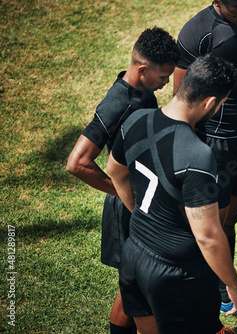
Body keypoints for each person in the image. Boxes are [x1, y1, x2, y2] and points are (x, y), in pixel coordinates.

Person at [106, 54, 237, 334]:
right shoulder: (197, 155)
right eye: (221, 103)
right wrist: (232, 284)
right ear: (209, 102)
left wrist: (141, 213)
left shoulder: (135, 120)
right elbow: (208, 236)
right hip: (176, 274)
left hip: (134, 254)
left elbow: (114, 171)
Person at [66, 27, 180, 334]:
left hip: (143, 201)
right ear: (143, 70)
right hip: (128, 208)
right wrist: (120, 192)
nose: (167, 83)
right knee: (136, 286)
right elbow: (77, 163)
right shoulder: (119, 103)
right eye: (163, 77)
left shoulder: (141, 93)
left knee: (133, 285)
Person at [172, 0, 237, 321]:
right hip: (213, 145)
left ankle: (220, 298)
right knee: (211, 227)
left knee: (230, 219)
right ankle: (214, 298)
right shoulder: (196, 33)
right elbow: (180, 96)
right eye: (236, 16)